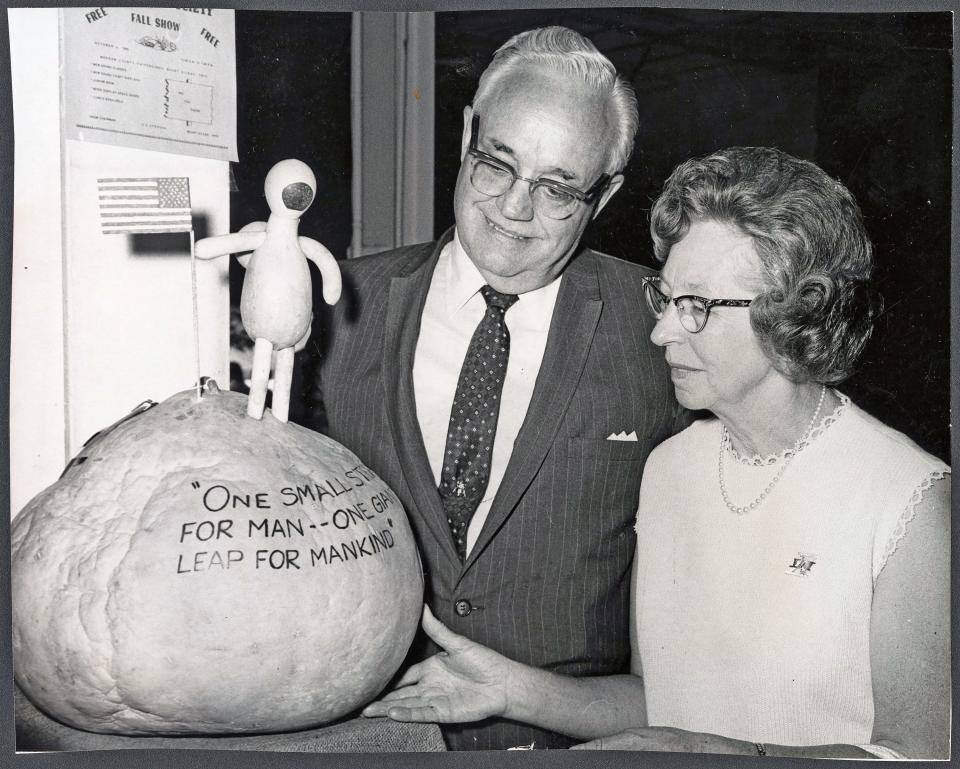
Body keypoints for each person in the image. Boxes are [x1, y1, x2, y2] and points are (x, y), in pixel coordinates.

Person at [361, 147, 951, 760]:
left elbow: (921, 757)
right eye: (665, 297)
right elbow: (660, 704)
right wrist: (513, 692)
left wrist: (712, 752)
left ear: (798, 311)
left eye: (696, 305)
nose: (662, 330)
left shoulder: (908, 497)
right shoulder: (672, 469)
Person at [315, 27, 685, 750]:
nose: (514, 209)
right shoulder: (336, 307)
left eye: (556, 188)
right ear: (466, 135)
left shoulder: (663, 325)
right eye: (497, 164)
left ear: (603, 194)